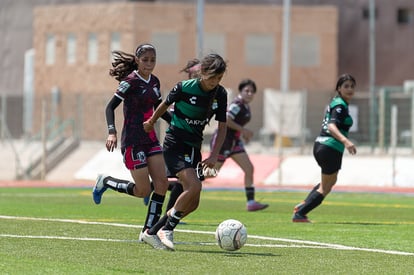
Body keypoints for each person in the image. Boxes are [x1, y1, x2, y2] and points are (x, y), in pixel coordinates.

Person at [141, 53, 228, 250]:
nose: (215, 82)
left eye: (219, 78)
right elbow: (164, 105)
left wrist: (214, 154)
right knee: (193, 186)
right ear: (203, 72)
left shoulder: (220, 94)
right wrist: (151, 121)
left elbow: (222, 127)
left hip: (194, 147)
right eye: (212, 77)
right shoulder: (184, 88)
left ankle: (151, 232)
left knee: (193, 202)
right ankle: (168, 229)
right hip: (175, 144)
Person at [92, 43, 170, 243]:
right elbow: (110, 107)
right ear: (137, 60)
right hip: (133, 141)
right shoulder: (130, 81)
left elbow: (159, 110)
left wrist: (180, 123)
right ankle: (106, 181)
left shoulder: (155, 82)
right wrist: (112, 132)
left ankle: (148, 232)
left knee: (162, 183)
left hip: (150, 139)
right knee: (143, 190)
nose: (149, 63)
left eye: (153, 60)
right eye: (145, 60)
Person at [292, 73, 357, 222]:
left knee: (327, 182)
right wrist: (346, 141)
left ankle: (302, 206)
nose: (350, 89)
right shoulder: (340, 105)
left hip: (322, 145)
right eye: (346, 86)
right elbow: (331, 126)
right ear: (338, 88)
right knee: (326, 187)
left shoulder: (338, 103)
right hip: (330, 147)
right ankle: (300, 213)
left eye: (352, 86)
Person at [209, 78, 268, 211]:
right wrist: (243, 130)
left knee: (249, 168)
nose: (250, 93)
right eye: (247, 90)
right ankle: (183, 181)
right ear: (240, 91)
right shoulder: (237, 104)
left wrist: (242, 134)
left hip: (234, 142)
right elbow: (227, 119)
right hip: (223, 140)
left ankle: (251, 202)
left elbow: (236, 124)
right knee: (211, 173)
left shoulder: (245, 106)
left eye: (252, 91)